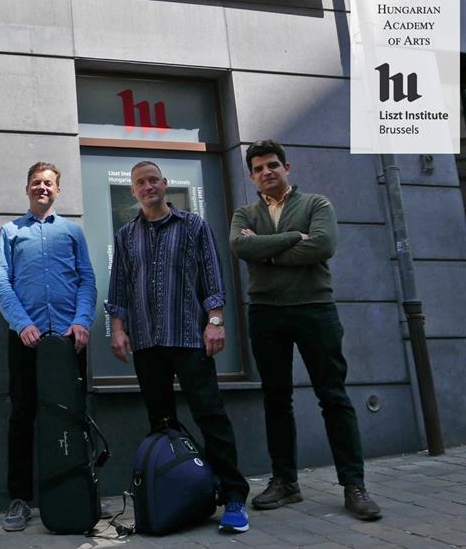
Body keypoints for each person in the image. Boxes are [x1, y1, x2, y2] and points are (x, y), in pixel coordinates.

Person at [230, 140, 382, 521]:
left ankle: (354, 486)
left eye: (272, 165)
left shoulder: (317, 204)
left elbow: (323, 246)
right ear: (251, 177)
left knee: (333, 396)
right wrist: (292, 238)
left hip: (315, 309)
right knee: (276, 398)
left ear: (287, 168)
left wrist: (264, 250)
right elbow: (240, 248)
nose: (266, 172)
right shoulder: (244, 213)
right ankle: (285, 482)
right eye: (259, 168)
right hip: (266, 312)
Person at [106, 161, 251, 534]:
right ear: (133, 190)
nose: (148, 186)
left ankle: (233, 496)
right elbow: (119, 287)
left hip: (188, 336)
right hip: (147, 342)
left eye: (153, 180)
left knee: (210, 416)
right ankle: (176, 496)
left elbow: (212, 278)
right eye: (141, 182)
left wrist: (215, 322)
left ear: (165, 184)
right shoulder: (125, 236)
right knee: (161, 423)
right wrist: (118, 329)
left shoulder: (193, 226)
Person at [0, 161, 97, 532]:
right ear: (27, 188)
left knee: (73, 416)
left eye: (49, 183)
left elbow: (87, 280)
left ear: (58, 189)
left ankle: (79, 492)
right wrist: (22, 324)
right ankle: (20, 498)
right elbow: (1, 285)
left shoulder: (72, 232)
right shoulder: (10, 232)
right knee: (23, 417)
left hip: (69, 341)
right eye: (36, 182)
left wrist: (82, 321)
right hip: (27, 340)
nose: (42, 188)